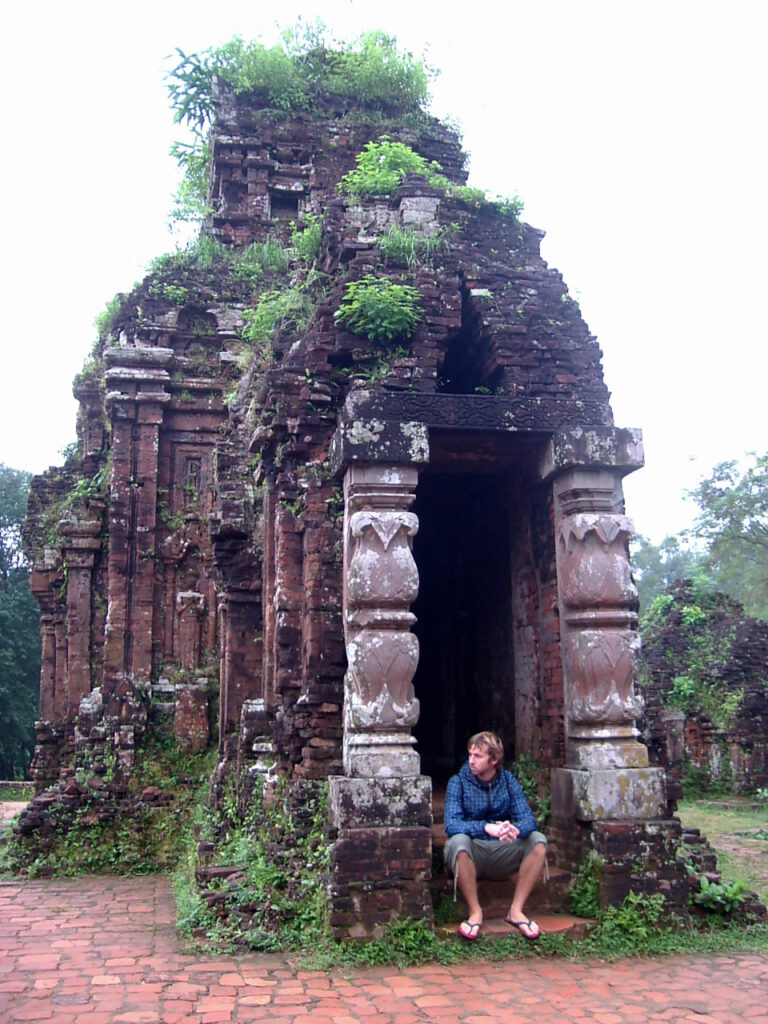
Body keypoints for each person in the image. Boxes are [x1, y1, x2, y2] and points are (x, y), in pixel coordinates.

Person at [444, 730, 547, 941]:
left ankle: (516, 910)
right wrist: (485, 827)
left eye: (478, 756)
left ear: (494, 760)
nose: (471, 761)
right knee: (459, 841)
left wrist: (515, 829)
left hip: (502, 851)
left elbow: (528, 819)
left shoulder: (508, 781)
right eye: (470, 755)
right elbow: (452, 824)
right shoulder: (458, 782)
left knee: (537, 840)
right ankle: (475, 912)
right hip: (473, 852)